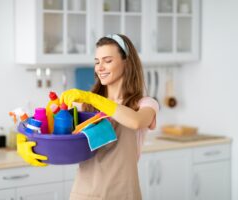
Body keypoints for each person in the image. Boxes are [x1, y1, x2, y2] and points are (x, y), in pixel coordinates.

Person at [17, 34, 159, 200]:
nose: (99, 67)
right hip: (84, 194)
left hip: (125, 195)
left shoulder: (144, 104)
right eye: (97, 62)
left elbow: (136, 121)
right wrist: (24, 143)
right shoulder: (84, 106)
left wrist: (92, 98)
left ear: (126, 62)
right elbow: (46, 128)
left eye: (107, 60)